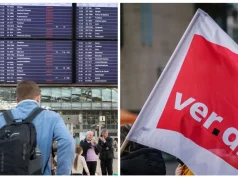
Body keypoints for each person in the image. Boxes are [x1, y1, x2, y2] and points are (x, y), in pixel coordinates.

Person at [0, 80, 75, 175]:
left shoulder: (2, 118)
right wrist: (62, 174)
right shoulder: (52, 117)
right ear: (38, 98)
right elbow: (67, 141)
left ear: (17, 100)